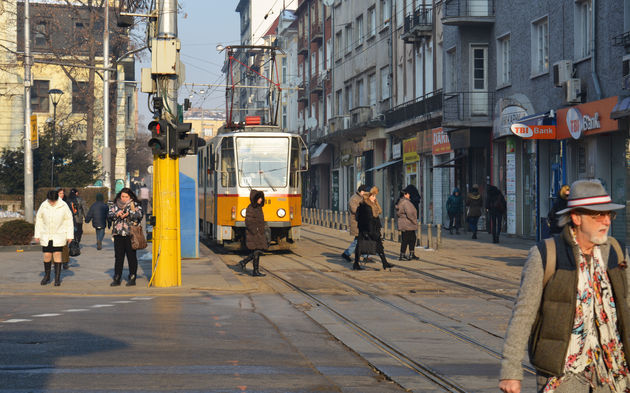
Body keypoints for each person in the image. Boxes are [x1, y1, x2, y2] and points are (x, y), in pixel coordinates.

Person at [499, 179, 630, 393]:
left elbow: (628, 305)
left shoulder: (614, 252)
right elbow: (523, 315)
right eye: (598, 215)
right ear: (576, 218)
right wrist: (510, 371)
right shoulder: (546, 254)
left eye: (609, 215)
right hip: (562, 376)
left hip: (612, 373)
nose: (606, 221)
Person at [34, 190, 74, 286]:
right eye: (50, 201)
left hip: (59, 234)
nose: (52, 203)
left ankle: (57, 278)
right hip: (46, 234)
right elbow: (39, 220)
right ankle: (47, 276)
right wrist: (37, 234)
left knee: (57, 255)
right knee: (47, 255)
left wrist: (70, 235)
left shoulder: (63, 206)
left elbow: (69, 220)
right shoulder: (43, 205)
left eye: (54, 201)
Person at [108, 187, 143, 286]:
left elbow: (139, 215)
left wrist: (129, 214)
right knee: (118, 257)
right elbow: (109, 216)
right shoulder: (115, 205)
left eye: (126, 197)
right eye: (122, 196)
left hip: (130, 234)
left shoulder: (134, 205)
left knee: (131, 256)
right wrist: (116, 214)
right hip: (118, 234)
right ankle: (117, 277)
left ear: (130, 197)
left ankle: (132, 276)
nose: (124, 199)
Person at [355, 188, 394, 271]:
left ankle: (384, 263)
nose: (374, 198)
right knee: (360, 246)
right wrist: (369, 232)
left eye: (375, 196)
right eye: (373, 196)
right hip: (368, 230)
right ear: (368, 197)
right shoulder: (366, 207)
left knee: (378, 246)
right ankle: (356, 263)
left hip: (371, 230)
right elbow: (366, 220)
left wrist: (376, 203)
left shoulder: (372, 205)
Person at [238, 189, 267, 277]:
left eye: (261, 198)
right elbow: (248, 221)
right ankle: (252, 268)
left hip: (259, 233)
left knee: (258, 251)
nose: (261, 200)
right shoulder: (251, 208)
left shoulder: (259, 208)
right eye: (259, 198)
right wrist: (256, 230)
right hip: (254, 233)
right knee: (257, 251)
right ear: (255, 199)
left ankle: (251, 267)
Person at [341, 184, 371, 262]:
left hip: (362, 222)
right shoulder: (354, 199)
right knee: (358, 240)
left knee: (361, 239)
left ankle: (365, 255)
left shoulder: (363, 198)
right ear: (361, 191)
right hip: (356, 222)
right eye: (366, 192)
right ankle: (347, 253)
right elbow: (355, 210)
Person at [395, 188, 419, 261]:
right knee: (406, 239)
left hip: (405, 223)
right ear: (405, 194)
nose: (409, 195)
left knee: (411, 238)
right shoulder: (406, 202)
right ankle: (402, 255)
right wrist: (414, 221)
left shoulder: (401, 201)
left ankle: (411, 254)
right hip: (408, 223)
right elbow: (410, 213)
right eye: (408, 194)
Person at [57, 188, 72, 269]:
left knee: (64, 247)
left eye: (62, 193)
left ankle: (65, 262)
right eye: (60, 193)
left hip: (64, 229)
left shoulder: (65, 203)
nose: (62, 195)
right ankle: (57, 261)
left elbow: (69, 216)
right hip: (55, 229)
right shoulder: (50, 203)